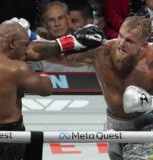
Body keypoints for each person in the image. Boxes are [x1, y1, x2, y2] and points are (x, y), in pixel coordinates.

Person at [26, 15, 153, 159]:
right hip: (113, 125)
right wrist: (30, 36)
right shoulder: (102, 52)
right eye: (120, 35)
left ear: (143, 45)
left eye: (129, 40)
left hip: (146, 126)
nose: (121, 43)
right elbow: (56, 56)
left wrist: (150, 102)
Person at [0, 20, 53, 160]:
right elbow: (46, 89)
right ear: (12, 43)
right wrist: (39, 68)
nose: (26, 50)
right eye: (25, 44)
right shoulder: (16, 68)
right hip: (8, 135)